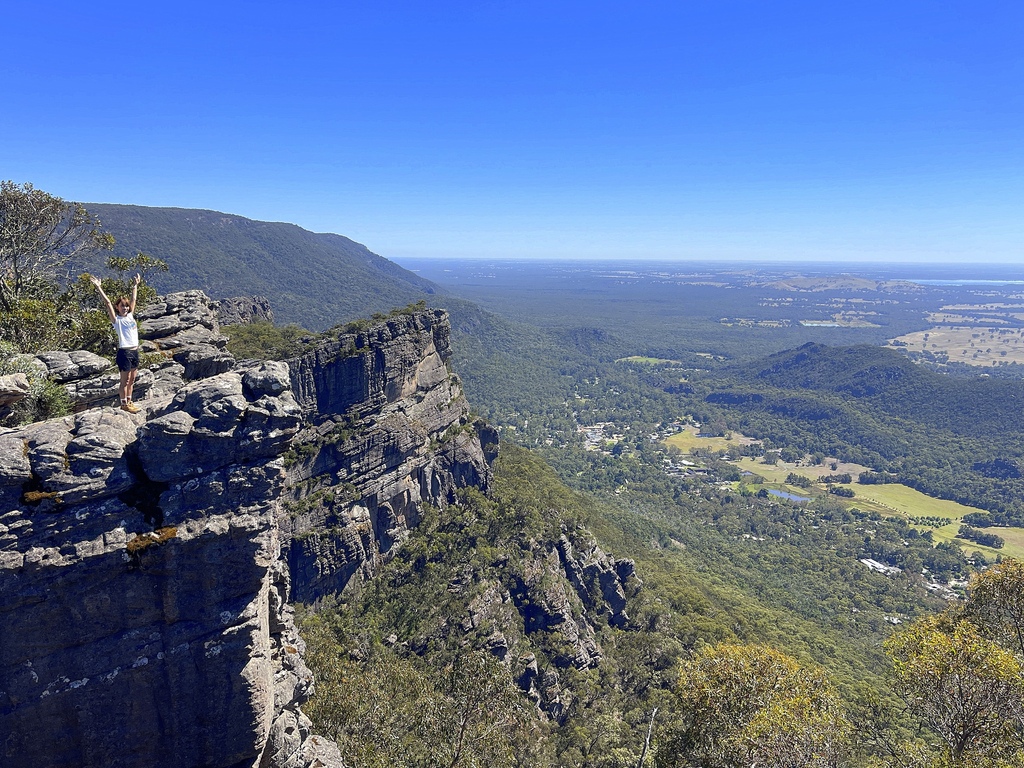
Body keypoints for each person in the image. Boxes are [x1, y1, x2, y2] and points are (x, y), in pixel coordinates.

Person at [91, 273, 143, 413]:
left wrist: (135, 285)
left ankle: (130, 401)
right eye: (122, 306)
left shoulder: (130, 315)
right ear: (117, 307)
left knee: (132, 380)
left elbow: (134, 298)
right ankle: (124, 404)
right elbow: (107, 303)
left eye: (126, 306)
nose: (125, 308)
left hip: (134, 351)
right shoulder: (117, 321)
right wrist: (98, 287)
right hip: (125, 352)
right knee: (124, 381)